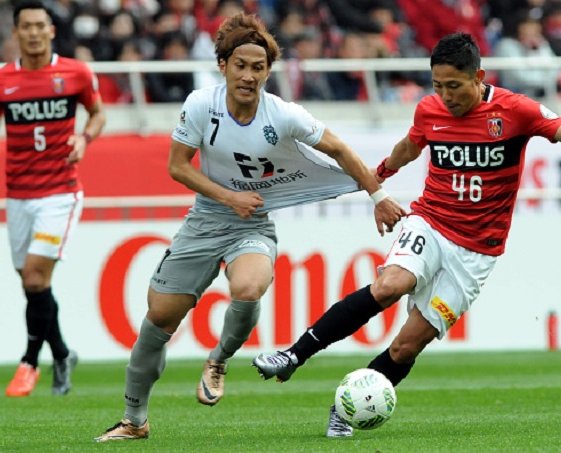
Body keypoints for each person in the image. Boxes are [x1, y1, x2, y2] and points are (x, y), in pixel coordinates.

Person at [252, 31, 561, 437]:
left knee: (405, 347)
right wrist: (378, 176)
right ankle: (293, 355)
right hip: (431, 222)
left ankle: (345, 410)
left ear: (479, 77)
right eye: (437, 85)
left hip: (476, 252)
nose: (446, 95)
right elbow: (410, 146)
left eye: (454, 86)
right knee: (390, 285)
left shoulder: (514, 111)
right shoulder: (429, 110)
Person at [93, 12, 405, 442]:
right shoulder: (201, 105)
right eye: (241, 65)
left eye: (258, 68)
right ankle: (134, 420)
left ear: (267, 72)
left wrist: (378, 196)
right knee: (158, 320)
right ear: (223, 65)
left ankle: (218, 360)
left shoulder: (283, 114)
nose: (249, 75)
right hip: (205, 219)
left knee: (249, 286)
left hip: (252, 223)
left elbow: (340, 150)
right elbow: (177, 167)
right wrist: (229, 197)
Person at [0, 1, 105, 397]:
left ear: (51, 30)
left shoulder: (75, 73)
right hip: (17, 195)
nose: (33, 33)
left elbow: (98, 114)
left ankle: (29, 362)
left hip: (60, 193)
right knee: (33, 286)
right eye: (26, 27)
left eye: (40, 26)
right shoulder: (0, 82)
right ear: (15, 33)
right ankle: (63, 353)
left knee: (35, 277)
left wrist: (84, 139)